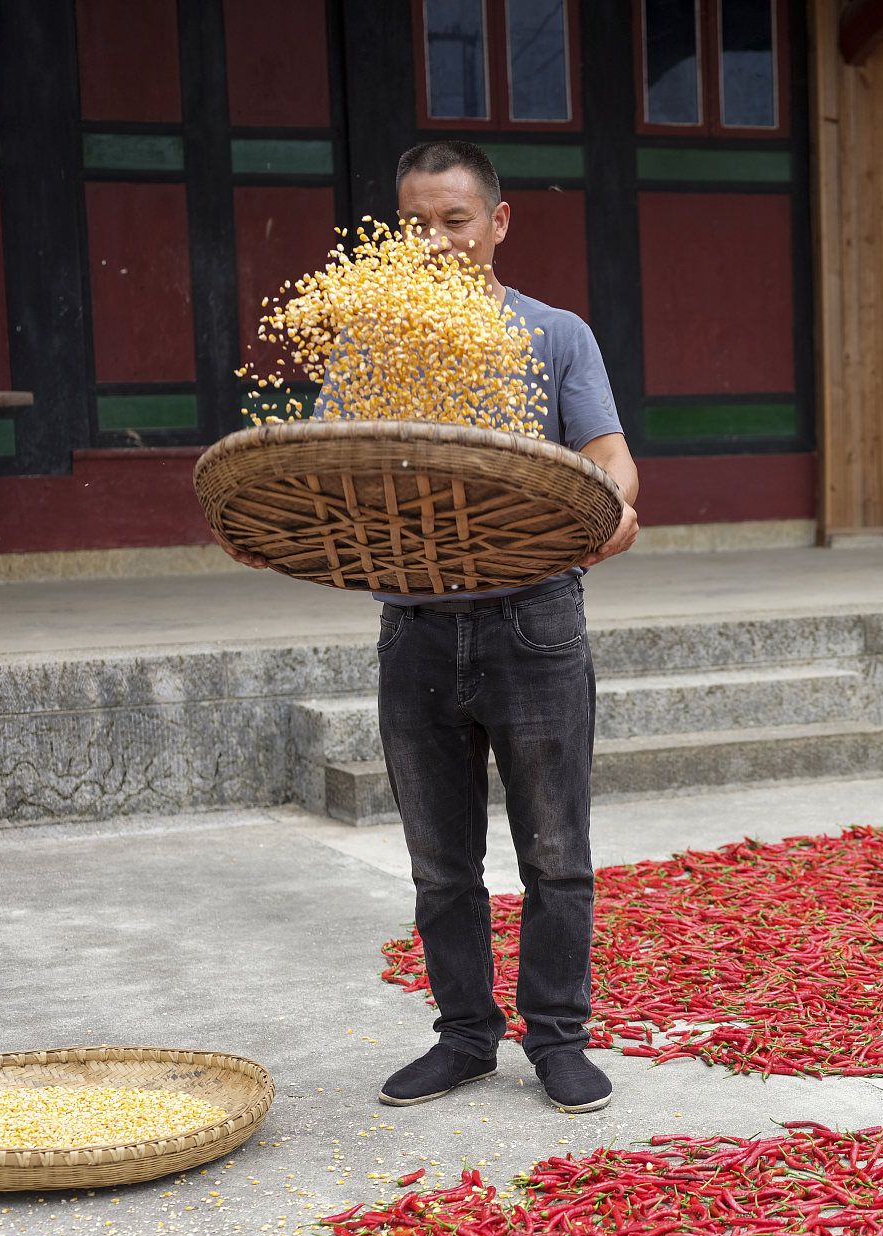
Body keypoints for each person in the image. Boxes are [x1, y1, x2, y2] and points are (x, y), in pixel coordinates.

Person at [216, 140, 638, 1114]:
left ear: (497, 222)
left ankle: (560, 1040)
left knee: (555, 852)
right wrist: (273, 528)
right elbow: (328, 473)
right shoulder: (367, 348)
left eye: (454, 220)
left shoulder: (553, 335)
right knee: (441, 863)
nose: (436, 242)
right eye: (413, 225)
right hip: (413, 628)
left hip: (535, 620)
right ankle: (464, 1038)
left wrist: (612, 505)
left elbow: (610, 457)